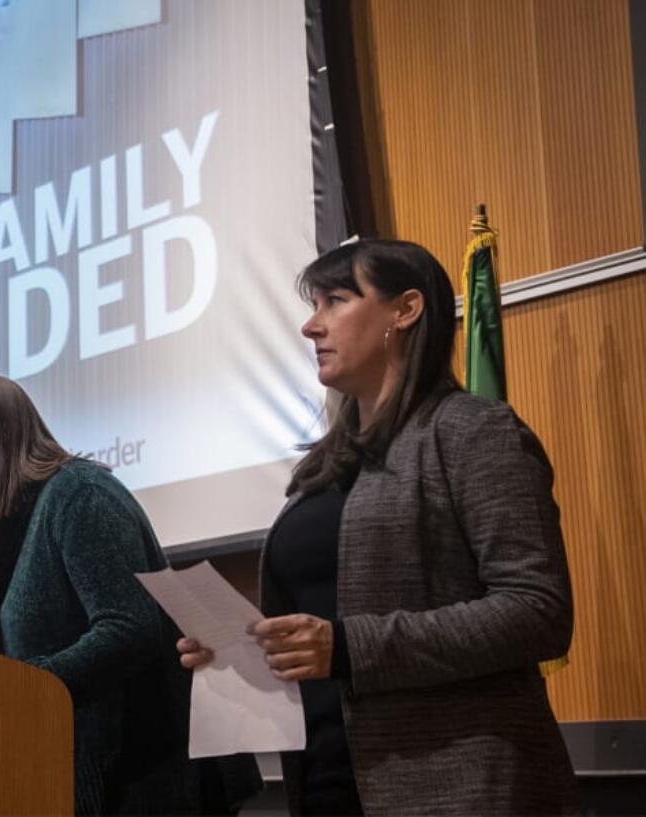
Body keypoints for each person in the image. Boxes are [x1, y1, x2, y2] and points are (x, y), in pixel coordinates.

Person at [177, 239, 577, 815]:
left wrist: (347, 647)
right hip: (328, 777)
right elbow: (330, 610)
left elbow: (538, 611)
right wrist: (246, 644)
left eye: (335, 301)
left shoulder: (472, 432)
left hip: (456, 785)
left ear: (405, 309)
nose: (310, 327)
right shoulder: (321, 467)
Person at [0, 374, 259, 815]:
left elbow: (128, 627)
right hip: (75, 777)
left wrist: (25, 689)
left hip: (148, 778)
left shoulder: (80, 493)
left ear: (1, 423)